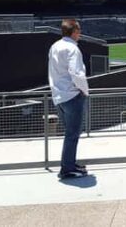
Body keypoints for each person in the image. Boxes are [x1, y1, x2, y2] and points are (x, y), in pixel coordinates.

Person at [48, 19, 89, 179]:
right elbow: (76, 73)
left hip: (59, 96)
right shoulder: (73, 48)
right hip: (72, 96)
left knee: (70, 134)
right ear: (74, 32)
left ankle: (69, 164)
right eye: (79, 31)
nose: (80, 34)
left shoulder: (55, 46)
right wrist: (84, 91)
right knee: (73, 134)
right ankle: (67, 168)